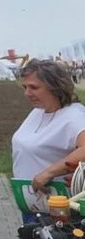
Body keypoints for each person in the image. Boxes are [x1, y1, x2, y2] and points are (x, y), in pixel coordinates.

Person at [12, 59, 85, 215]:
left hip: (59, 207)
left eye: (34, 87)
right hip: (34, 204)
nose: (27, 93)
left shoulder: (74, 116)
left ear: (55, 86)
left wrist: (48, 173)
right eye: (25, 87)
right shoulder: (38, 112)